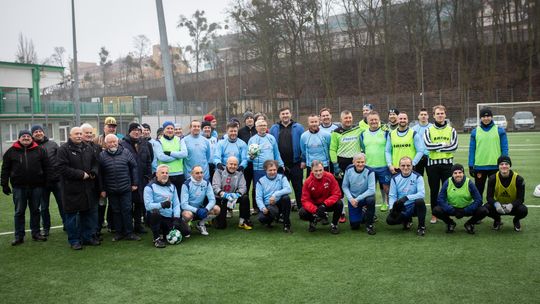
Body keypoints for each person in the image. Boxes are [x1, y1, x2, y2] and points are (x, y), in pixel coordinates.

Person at [1, 129, 49, 245]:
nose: (26, 138)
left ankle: (36, 233)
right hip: (19, 188)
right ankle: (19, 236)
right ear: (19, 138)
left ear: (31, 138)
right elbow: (5, 169)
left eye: (28, 136)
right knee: (19, 212)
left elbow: (47, 167)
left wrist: (46, 182)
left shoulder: (40, 150)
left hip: (36, 187)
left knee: (35, 211)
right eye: (23, 136)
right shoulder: (11, 151)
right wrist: (4, 184)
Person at [56, 127, 100, 250]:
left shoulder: (88, 148)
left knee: (86, 215)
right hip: (71, 190)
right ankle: (74, 241)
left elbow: (95, 163)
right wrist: (81, 174)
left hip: (87, 189)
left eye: (80, 133)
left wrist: (93, 172)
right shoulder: (63, 149)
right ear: (70, 135)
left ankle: (86, 238)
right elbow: (61, 168)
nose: (79, 136)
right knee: (71, 217)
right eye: (76, 134)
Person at [99, 134, 140, 242]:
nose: (112, 144)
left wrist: (135, 183)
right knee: (115, 211)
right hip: (111, 189)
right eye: (110, 142)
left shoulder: (126, 152)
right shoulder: (102, 155)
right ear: (106, 144)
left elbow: (134, 167)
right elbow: (100, 174)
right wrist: (102, 189)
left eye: (114, 142)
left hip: (126, 188)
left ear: (118, 142)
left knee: (127, 210)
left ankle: (129, 233)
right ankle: (118, 233)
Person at [424, 105, 458, 224]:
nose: (440, 115)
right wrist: (444, 145)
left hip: (447, 165)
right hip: (432, 165)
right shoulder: (428, 130)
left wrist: (437, 147)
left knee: (447, 190)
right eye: (437, 113)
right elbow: (428, 146)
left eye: (442, 113)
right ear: (433, 115)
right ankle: (434, 214)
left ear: (445, 114)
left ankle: (446, 212)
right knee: (434, 190)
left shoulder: (451, 130)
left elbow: (454, 147)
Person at [433, 164, 488, 234]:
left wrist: (466, 210)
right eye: (455, 173)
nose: (458, 175)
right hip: (452, 209)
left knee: (483, 210)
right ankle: (450, 223)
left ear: (463, 173)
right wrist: (451, 209)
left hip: (467, 209)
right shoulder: (447, 182)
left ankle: (469, 223)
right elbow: (440, 199)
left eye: (460, 172)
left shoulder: (469, 183)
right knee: (436, 210)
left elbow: (478, 200)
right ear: (452, 174)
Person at [144, 164, 190, 248]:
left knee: (186, 231)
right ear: (157, 174)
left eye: (166, 173)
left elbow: (176, 204)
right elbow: (148, 206)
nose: (165, 174)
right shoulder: (149, 187)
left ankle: (164, 232)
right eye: (162, 173)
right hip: (155, 217)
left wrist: (176, 217)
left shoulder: (172, 187)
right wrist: (162, 205)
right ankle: (156, 238)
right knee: (155, 212)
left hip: (168, 217)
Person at [329, 110, 362, 223]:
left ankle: (360, 210)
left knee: (357, 186)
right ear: (341, 119)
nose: (348, 120)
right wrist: (335, 164)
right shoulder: (336, 132)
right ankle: (342, 212)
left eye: (350, 118)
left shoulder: (358, 129)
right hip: (341, 162)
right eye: (346, 118)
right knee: (341, 187)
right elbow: (332, 149)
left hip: (355, 163)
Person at [31, 124, 65, 235]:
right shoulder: (31, 146)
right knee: (44, 207)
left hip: (57, 180)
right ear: (32, 134)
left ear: (43, 133)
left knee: (62, 204)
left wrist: (59, 173)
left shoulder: (53, 144)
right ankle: (46, 228)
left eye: (40, 131)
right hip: (42, 183)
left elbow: (61, 160)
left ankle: (67, 225)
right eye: (35, 132)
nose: (38, 133)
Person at [269, 106, 305, 210]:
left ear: (290, 114)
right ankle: (281, 210)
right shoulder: (274, 128)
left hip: (296, 164)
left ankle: (301, 208)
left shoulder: (299, 127)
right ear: (280, 116)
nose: (285, 116)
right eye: (283, 114)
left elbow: (303, 145)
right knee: (280, 189)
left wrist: (303, 160)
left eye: (287, 113)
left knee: (298, 188)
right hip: (280, 166)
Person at [120, 123, 153, 234]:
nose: (137, 132)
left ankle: (138, 225)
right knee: (127, 206)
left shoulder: (145, 143)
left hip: (142, 179)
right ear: (129, 131)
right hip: (128, 180)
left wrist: (149, 176)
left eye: (138, 130)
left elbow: (149, 161)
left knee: (139, 203)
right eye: (134, 130)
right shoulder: (123, 144)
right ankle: (127, 228)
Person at [468, 107, 508, 197]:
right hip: (479, 166)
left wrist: (505, 162)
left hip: (495, 166)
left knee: (495, 190)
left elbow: (504, 148)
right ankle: (479, 209)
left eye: (488, 116)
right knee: (478, 190)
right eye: (483, 117)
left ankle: (494, 209)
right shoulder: (475, 131)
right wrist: (471, 165)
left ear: (491, 117)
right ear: (480, 118)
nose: (486, 118)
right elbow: (472, 149)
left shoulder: (500, 130)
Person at [247, 119, 284, 213]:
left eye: (264, 125)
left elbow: (276, 153)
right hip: (258, 169)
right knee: (259, 190)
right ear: (256, 127)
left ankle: (275, 211)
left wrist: (281, 164)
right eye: (260, 125)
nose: (263, 127)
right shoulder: (252, 139)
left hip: (271, 169)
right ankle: (261, 210)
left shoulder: (271, 138)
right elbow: (248, 157)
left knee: (273, 190)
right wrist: (250, 157)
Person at [485, 156, 528, 232]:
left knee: (523, 210)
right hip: (499, 206)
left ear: (510, 165)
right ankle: (497, 219)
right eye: (501, 164)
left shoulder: (519, 179)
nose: (504, 166)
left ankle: (516, 220)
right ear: (498, 166)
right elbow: (489, 198)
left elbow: (521, 199)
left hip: (513, 206)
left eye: (506, 164)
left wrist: (511, 205)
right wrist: (496, 204)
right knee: (485, 208)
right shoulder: (492, 178)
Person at [386, 156, 427, 236]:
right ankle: (407, 220)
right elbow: (392, 195)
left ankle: (421, 227)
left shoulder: (418, 177)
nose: (405, 168)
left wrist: (406, 198)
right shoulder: (394, 178)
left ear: (412, 166)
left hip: (414, 206)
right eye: (403, 165)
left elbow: (422, 193)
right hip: (402, 206)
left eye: (408, 165)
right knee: (390, 220)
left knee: (420, 201)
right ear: (399, 167)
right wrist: (391, 208)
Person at [299, 160, 342, 234]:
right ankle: (313, 220)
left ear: (323, 169)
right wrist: (315, 210)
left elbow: (337, 194)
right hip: (315, 205)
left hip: (327, 204)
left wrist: (324, 204)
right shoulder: (308, 182)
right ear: (312, 170)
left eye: (320, 170)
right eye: (316, 171)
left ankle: (334, 224)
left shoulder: (330, 177)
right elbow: (305, 200)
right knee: (302, 212)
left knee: (339, 203)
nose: (318, 173)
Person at [360, 111, 391, 211]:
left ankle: (390, 206)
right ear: (367, 121)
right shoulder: (363, 134)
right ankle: (370, 212)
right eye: (371, 120)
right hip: (369, 167)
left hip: (384, 166)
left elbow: (390, 149)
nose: (373, 121)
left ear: (379, 120)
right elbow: (363, 149)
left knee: (387, 189)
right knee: (370, 191)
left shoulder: (386, 132)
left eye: (375, 119)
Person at [212, 156, 252, 230]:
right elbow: (215, 187)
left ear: (238, 165)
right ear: (227, 164)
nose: (233, 166)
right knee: (221, 226)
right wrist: (224, 194)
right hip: (221, 197)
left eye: (235, 164)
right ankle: (214, 218)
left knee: (245, 198)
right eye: (231, 164)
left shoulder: (240, 173)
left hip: (233, 197)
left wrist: (237, 194)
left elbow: (243, 187)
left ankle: (243, 220)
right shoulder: (219, 171)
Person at [81, 123, 106, 238]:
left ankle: (95, 232)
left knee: (95, 210)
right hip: (81, 184)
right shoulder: (76, 147)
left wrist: (101, 187)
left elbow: (99, 165)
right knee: (82, 212)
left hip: (96, 184)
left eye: (91, 133)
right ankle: (84, 234)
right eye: (87, 132)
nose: (89, 135)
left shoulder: (97, 147)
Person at [342, 153, 377, 235]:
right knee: (355, 226)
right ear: (353, 162)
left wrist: (357, 199)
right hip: (353, 200)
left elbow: (372, 190)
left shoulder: (370, 171)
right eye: (358, 162)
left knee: (371, 200)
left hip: (364, 198)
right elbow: (345, 186)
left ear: (365, 162)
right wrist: (351, 199)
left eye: (362, 162)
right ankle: (364, 212)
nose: (360, 164)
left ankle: (369, 225)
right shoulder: (348, 169)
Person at [181, 166, 220, 236]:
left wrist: (206, 209)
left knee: (216, 209)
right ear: (192, 174)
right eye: (197, 173)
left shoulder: (206, 183)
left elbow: (212, 199)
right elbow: (183, 204)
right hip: (190, 210)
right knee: (187, 215)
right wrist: (197, 210)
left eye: (201, 173)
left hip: (202, 209)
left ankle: (201, 224)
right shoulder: (186, 184)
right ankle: (185, 224)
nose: (200, 175)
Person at [256, 160, 292, 233]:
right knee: (261, 218)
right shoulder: (260, 181)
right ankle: (272, 219)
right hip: (268, 205)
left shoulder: (282, 177)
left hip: (279, 203)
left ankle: (286, 224)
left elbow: (288, 189)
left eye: (274, 170)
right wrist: (263, 208)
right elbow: (258, 198)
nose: (273, 172)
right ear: (265, 170)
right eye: (270, 170)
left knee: (286, 198)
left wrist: (275, 195)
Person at [155, 121, 188, 193]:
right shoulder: (158, 142)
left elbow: (185, 154)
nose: (170, 130)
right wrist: (178, 156)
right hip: (165, 174)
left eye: (172, 128)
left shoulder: (180, 140)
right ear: (163, 130)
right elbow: (162, 157)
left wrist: (170, 153)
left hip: (179, 174)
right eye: (168, 128)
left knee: (179, 197)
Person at [238, 111, 257, 213]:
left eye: (251, 118)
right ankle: (245, 209)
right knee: (245, 187)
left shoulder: (257, 130)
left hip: (257, 165)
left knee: (256, 187)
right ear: (244, 121)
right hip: (245, 166)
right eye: (247, 118)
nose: (250, 119)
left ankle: (256, 207)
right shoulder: (240, 132)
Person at [411, 108, 432, 176]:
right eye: (421, 114)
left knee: (432, 178)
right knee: (417, 177)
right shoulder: (413, 129)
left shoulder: (432, 127)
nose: (423, 116)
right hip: (418, 157)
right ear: (418, 116)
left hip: (430, 157)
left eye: (425, 114)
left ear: (428, 116)